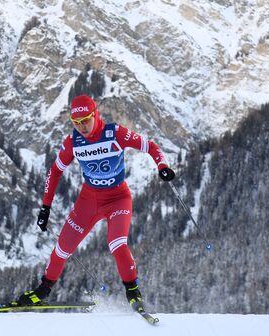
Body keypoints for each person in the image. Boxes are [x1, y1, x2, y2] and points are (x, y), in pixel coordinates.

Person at [16, 95, 175, 312]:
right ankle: (42, 291)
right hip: (89, 200)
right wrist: (46, 207)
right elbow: (55, 172)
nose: (81, 126)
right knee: (62, 248)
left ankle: (133, 293)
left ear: (95, 115)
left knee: (116, 243)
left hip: (118, 198)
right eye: (76, 122)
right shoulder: (73, 141)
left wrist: (162, 166)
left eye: (86, 120)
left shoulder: (115, 133)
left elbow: (151, 146)